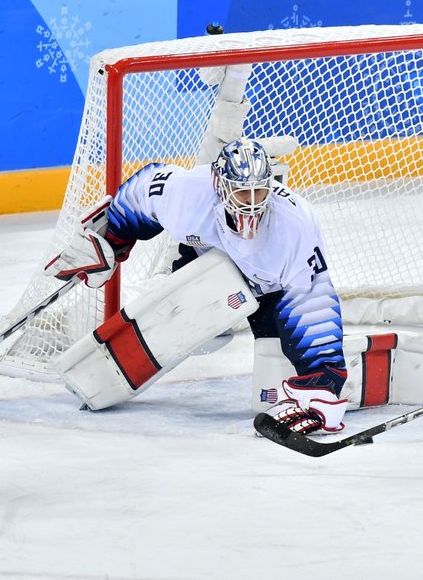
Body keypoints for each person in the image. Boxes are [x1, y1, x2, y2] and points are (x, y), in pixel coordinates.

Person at [44, 137, 350, 435]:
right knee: (205, 334)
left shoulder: (292, 228)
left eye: (260, 192)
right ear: (219, 185)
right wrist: (112, 237)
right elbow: (142, 192)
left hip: (269, 287)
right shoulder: (186, 195)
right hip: (206, 255)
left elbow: (313, 300)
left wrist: (322, 383)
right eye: (243, 193)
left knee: (276, 359)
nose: (253, 203)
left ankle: (307, 376)